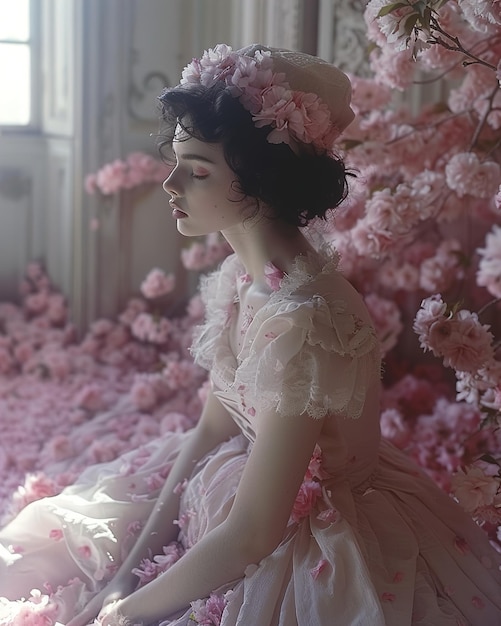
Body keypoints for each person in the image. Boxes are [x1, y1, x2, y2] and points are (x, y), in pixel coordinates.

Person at [1, 43, 500, 626]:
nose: (169, 185)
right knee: (59, 556)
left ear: (263, 181)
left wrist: (120, 614)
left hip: (311, 531)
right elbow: (214, 425)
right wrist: (122, 576)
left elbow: (252, 534)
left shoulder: (307, 318)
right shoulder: (244, 278)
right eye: (176, 162)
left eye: (197, 170)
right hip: (241, 486)